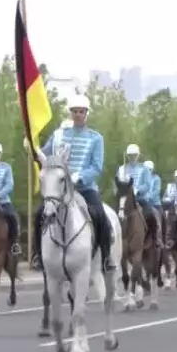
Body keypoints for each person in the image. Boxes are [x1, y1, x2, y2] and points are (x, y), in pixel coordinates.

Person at [31, 94, 114, 273]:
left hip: (84, 187)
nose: (78, 115)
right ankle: (37, 255)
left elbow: (96, 167)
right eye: (75, 111)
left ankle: (106, 257)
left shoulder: (95, 138)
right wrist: (32, 148)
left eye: (81, 112)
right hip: (59, 189)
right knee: (39, 214)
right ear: (71, 113)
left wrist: (79, 177)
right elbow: (45, 156)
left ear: (86, 114)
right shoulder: (59, 135)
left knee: (100, 215)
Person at [118, 144, 160, 246]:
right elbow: (117, 183)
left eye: (134, 155)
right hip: (125, 198)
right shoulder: (122, 169)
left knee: (151, 215)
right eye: (130, 155)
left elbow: (147, 184)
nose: (132, 157)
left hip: (140, 198)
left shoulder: (144, 169)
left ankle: (154, 238)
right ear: (127, 156)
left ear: (138, 155)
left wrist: (138, 190)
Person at [142, 159, 162, 246]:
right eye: (146, 169)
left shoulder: (156, 179)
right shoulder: (141, 178)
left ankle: (156, 238)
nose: (148, 171)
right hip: (142, 202)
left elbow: (156, 191)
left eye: (150, 169)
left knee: (161, 217)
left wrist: (148, 197)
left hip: (154, 203)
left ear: (152, 170)